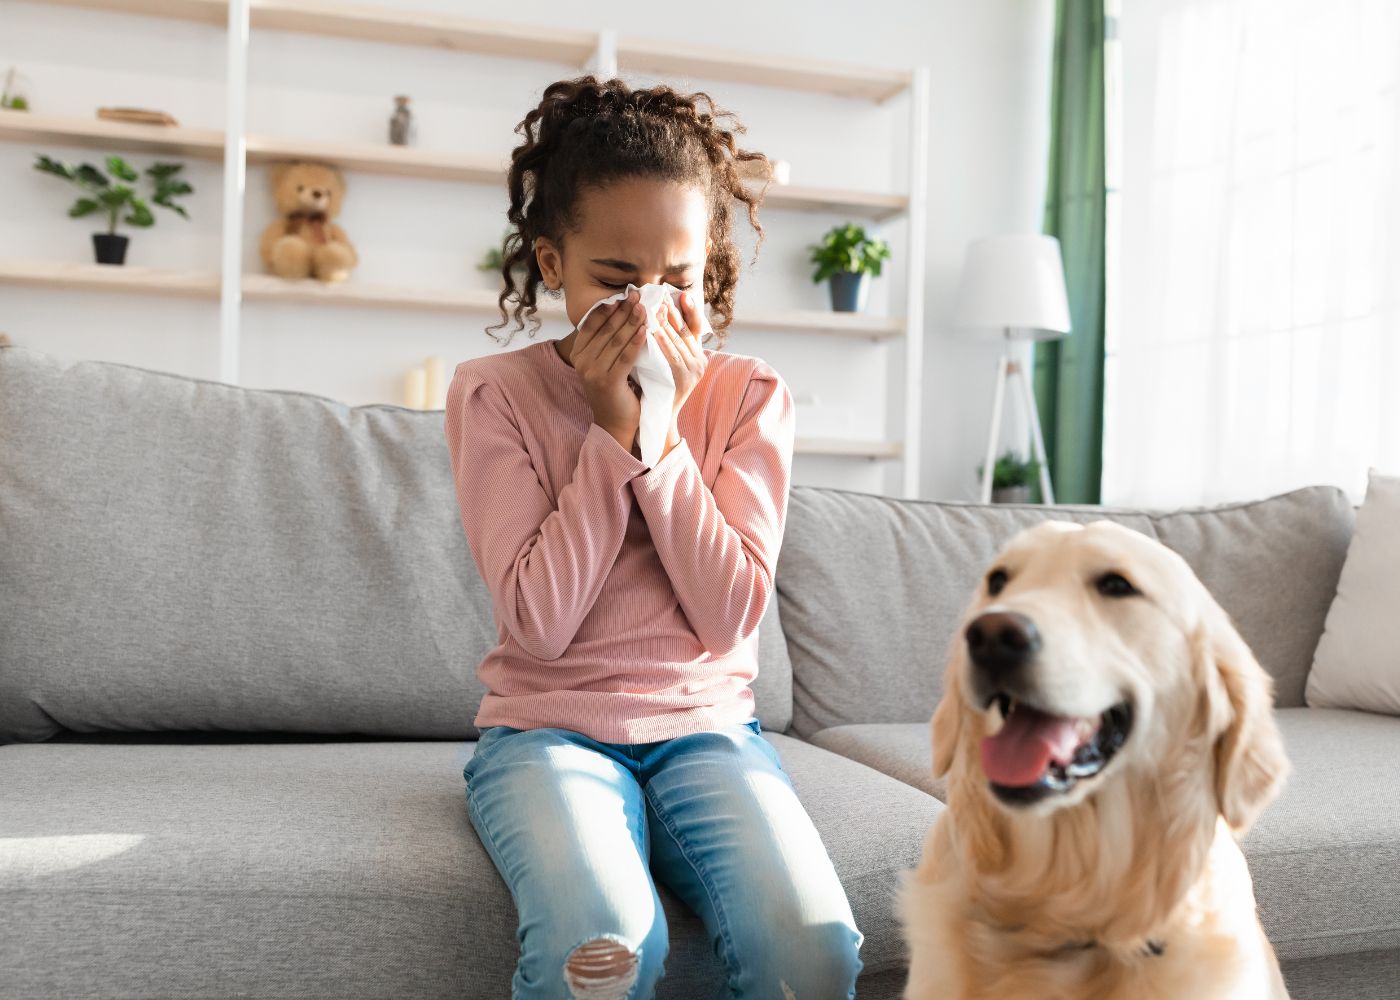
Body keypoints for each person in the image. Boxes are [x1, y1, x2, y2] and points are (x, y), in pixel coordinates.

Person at [443, 74, 862, 1000]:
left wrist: (660, 436)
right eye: (616, 281)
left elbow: (728, 618)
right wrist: (606, 437)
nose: (649, 310)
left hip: (709, 732)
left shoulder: (749, 395)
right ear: (552, 265)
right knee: (601, 951)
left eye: (676, 281)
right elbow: (538, 624)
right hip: (546, 732)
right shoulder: (494, 394)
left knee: (815, 952)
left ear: (707, 264)